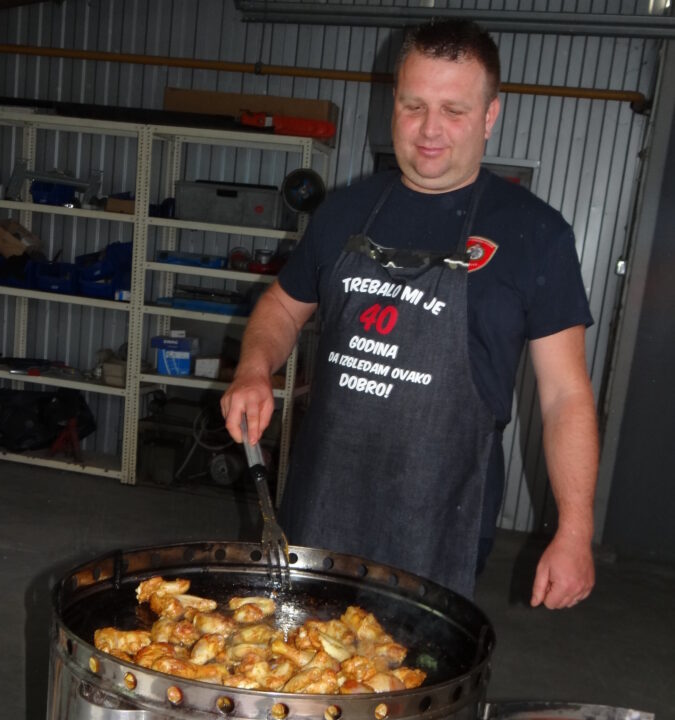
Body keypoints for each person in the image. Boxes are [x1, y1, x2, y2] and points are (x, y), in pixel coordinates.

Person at [221, 17, 598, 610]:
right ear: (393, 102)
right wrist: (253, 369)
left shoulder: (536, 235)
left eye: (454, 110)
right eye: (413, 105)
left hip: (439, 526)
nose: (429, 130)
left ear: (490, 116)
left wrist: (575, 530)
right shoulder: (344, 211)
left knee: (413, 666)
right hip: (319, 509)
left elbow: (565, 396)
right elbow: (283, 308)